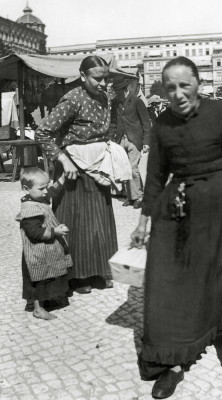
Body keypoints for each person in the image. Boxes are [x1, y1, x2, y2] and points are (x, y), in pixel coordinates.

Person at [131, 57, 222, 399]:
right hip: (181, 207)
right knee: (167, 276)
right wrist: (142, 221)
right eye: (170, 87)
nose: (178, 93)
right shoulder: (163, 124)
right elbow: (154, 178)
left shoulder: (218, 114)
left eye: (185, 85)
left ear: (198, 83)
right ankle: (173, 360)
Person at [35, 55, 118, 294]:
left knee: (100, 220)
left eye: (106, 78)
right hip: (73, 169)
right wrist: (62, 159)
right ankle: (77, 276)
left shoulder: (105, 97)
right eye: (97, 79)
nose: (103, 83)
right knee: (78, 222)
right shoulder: (72, 99)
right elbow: (43, 133)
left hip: (97, 167)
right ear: (82, 76)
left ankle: (98, 270)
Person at [16, 167, 72, 320]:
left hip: (45, 250)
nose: (46, 191)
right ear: (26, 189)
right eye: (41, 188)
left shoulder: (39, 197)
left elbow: (52, 191)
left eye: (46, 186)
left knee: (46, 276)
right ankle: (37, 308)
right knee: (37, 279)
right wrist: (55, 231)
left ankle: (45, 300)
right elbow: (34, 232)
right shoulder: (29, 208)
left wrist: (62, 179)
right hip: (35, 253)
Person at [110, 76, 151, 208]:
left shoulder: (137, 101)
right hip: (120, 139)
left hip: (135, 139)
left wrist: (146, 142)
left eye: (118, 91)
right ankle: (130, 196)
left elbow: (146, 123)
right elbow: (113, 122)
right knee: (123, 169)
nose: (116, 93)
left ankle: (138, 197)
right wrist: (111, 138)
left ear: (126, 89)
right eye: (115, 91)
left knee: (132, 168)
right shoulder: (115, 102)